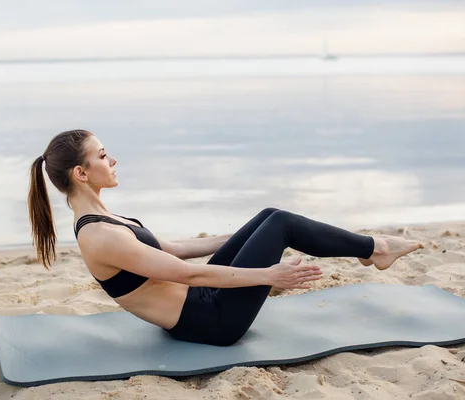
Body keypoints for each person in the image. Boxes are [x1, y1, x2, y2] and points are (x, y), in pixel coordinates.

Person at [27, 129, 424, 346]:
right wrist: (269, 275)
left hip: (200, 303)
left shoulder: (105, 216)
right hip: (209, 322)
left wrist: (246, 234)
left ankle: (374, 249)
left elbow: (176, 250)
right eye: (101, 155)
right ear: (81, 173)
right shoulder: (99, 236)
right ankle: (377, 249)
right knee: (281, 222)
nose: (111, 160)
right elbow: (188, 274)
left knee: (269, 217)